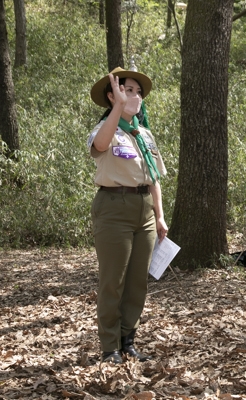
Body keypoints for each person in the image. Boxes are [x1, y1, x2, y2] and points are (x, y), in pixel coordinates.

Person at [87, 66, 168, 364]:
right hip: (113, 209)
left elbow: (153, 178)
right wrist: (118, 109)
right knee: (113, 280)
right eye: (127, 91)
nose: (135, 96)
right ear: (112, 96)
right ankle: (109, 347)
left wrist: (159, 216)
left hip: (143, 210)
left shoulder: (144, 134)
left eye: (138, 92)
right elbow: (100, 146)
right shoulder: (104, 129)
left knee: (137, 282)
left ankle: (127, 340)